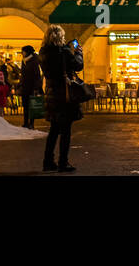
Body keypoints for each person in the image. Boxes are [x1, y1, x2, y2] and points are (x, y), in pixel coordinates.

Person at [39, 25, 83, 173]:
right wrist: (78, 53)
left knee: (53, 130)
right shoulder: (63, 51)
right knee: (65, 131)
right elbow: (78, 66)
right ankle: (63, 162)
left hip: (51, 94)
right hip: (64, 95)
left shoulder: (43, 52)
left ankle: (48, 161)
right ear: (60, 37)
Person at [18, 45, 43, 129]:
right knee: (25, 105)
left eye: (23, 51)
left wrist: (36, 88)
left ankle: (31, 123)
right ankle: (25, 123)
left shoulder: (34, 61)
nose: (22, 53)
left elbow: (37, 75)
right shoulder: (24, 61)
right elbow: (22, 74)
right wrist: (20, 84)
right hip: (25, 86)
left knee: (32, 106)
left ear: (28, 52)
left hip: (32, 87)